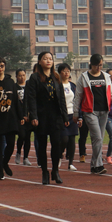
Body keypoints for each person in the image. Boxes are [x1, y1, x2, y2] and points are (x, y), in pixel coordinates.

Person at [73, 54, 112, 175]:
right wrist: (76, 113)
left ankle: (94, 166)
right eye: (96, 65)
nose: (99, 68)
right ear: (91, 64)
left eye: (101, 65)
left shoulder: (106, 76)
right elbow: (78, 96)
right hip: (90, 111)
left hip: (104, 111)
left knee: (98, 139)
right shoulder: (84, 77)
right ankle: (98, 165)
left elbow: (111, 93)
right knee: (97, 137)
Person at [27, 52, 69, 184]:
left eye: (50, 59)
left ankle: (55, 170)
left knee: (57, 144)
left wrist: (65, 116)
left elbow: (61, 98)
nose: (48, 61)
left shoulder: (56, 77)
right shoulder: (34, 78)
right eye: (45, 59)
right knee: (42, 145)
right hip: (41, 115)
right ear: (39, 61)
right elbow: (31, 98)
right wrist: (33, 116)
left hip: (55, 115)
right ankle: (44, 172)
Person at [58, 63, 80, 171]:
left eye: (68, 71)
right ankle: (59, 154)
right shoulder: (57, 85)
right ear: (59, 73)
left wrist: (79, 116)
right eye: (64, 71)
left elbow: (77, 100)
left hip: (73, 115)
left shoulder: (73, 86)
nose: (66, 73)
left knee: (72, 139)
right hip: (62, 115)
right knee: (64, 139)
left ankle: (70, 163)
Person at [14, 68, 34, 166]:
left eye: (23, 75)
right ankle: (18, 152)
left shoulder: (29, 87)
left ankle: (26, 157)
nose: (22, 77)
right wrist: (21, 115)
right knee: (22, 135)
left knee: (27, 137)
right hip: (19, 116)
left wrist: (29, 114)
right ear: (16, 77)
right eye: (20, 75)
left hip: (29, 116)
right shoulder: (14, 87)